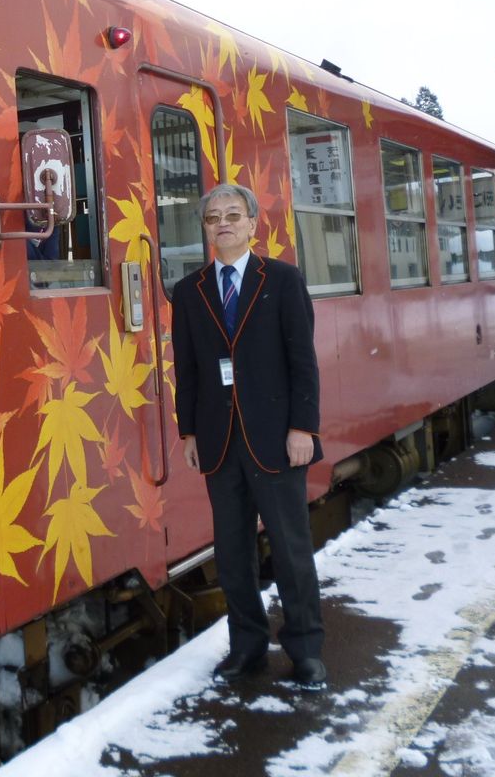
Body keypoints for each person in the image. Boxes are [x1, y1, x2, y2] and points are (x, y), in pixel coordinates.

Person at [171, 183, 327, 689]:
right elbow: (187, 369)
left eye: (233, 215)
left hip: (277, 438)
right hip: (219, 441)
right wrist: (189, 432)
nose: (223, 223)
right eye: (213, 217)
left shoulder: (281, 279)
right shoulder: (189, 291)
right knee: (233, 554)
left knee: (290, 549)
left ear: (252, 224)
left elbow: (303, 360)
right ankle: (247, 647)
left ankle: (306, 650)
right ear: (205, 228)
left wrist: (303, 427)